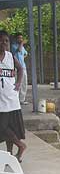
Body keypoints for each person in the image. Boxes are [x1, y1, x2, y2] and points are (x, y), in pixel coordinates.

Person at [0, 30, 26, 161]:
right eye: (1, 40)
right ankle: (10, 154)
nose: (4, 43)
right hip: (0, 99)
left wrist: (19, 83)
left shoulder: (10, 56)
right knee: (4, 127)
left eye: (6, 41)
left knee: (7, 127)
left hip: (10, 97)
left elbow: (21, 69)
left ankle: (19, 146)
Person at [11, 33, 28, 104]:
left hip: (23, 67)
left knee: (24, 83)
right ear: (16, 39)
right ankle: (16, 99)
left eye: (21, 38)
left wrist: (22, 58)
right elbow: (19, 50)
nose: (20, 39)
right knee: (17, 83)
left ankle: (22, 100)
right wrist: (22, 44)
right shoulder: (13, 46)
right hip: (16, 68)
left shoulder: (22, 47)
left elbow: (25, 53)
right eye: (19, 38)